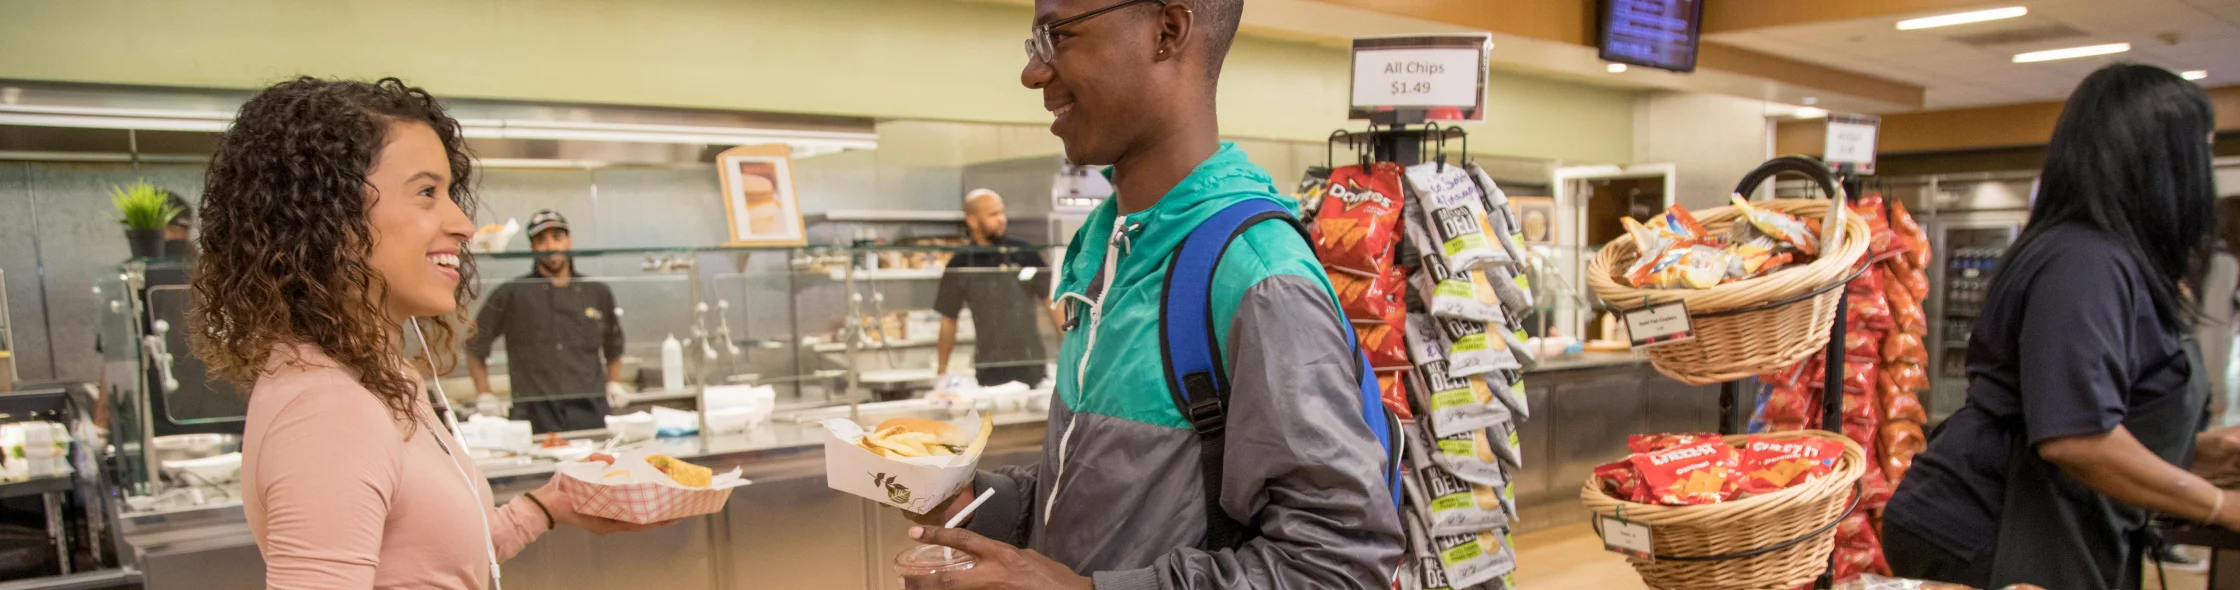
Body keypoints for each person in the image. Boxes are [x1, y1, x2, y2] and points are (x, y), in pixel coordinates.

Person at [903, 1, 1404, 588]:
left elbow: (1337, 562)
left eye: (1058, 35)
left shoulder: (1258, 278)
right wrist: (978, 502)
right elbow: (1111, 490)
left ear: (1167, 31)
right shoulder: (1106, 250)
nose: (1033, 71)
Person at [189, 77, 665, 589]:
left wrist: (546, 507)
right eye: (425, 192)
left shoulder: (380, 373)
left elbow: (433, 564)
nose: (463, 223)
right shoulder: (328, 408)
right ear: (333, 219)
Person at [1883, 64, 2240, 589]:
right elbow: (2076, 439)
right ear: (2164, 163)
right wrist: (2221, 506)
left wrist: (2203, 452)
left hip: (2049, 520)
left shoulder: (2110, 258)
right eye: (2200, 152)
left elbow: (2089, 413)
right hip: (1994, 526)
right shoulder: (2083, 261)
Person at [466, 210, 627, 433]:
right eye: (541, 240)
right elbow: (474, 344)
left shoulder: (597, 291)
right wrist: (484, 393)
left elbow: (614, 345)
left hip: (591, 410)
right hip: (534, 415)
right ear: (532, 247)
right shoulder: (512, 293)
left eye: (557, 237)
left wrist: (614, 382)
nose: (550, 246)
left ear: (569, 241)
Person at [935, 189, 1059, 387]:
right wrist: (941, 372)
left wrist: (1069, 352)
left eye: (1002, 212)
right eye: (993, 214)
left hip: (1031, 364)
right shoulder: (960, 262)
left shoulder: (1024, 252)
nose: (1002, 219)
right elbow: (948, 320)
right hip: (990, 369)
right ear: (973, 221)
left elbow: (1052, 301)